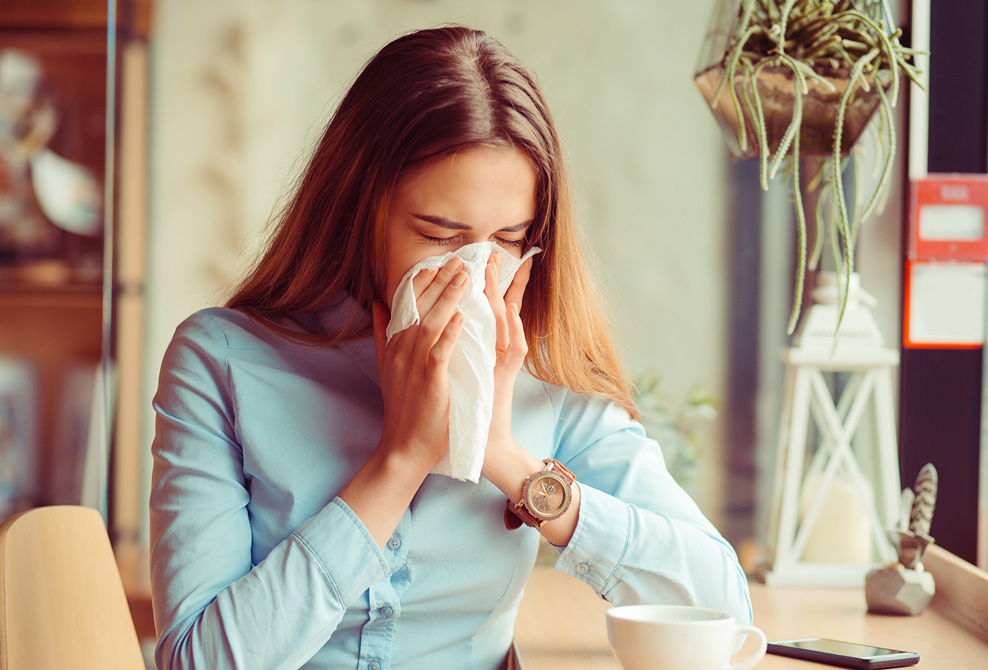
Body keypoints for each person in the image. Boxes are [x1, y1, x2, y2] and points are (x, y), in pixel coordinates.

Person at [149, 25, 752, 670]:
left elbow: (721, 605)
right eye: (440, 236)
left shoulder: (546, 375)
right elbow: (196, 662)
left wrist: (504, 456)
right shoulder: (223, 361)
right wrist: (400, 459)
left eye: (508, 239)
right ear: (362, 213)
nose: (475, 274)